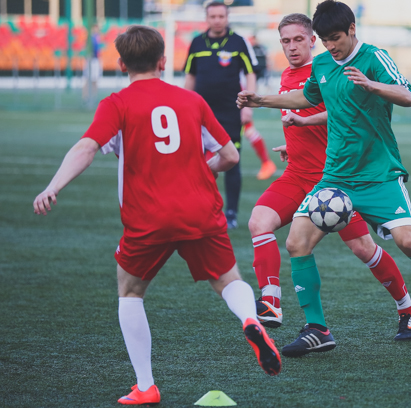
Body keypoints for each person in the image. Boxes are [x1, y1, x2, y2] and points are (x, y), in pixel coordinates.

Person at [33, 25, 281, 405]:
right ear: (163, 62)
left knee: (130, 291)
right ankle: (249, 319)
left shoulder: (116, 103)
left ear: (121, 64)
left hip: (149, 216)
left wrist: (53, 186)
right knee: (228, 280)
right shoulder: (191, 100)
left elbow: (86, 148)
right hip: (200, 209)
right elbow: (230, 156)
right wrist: (203, 169)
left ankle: (146, 386)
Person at [237, 0, 411, 358]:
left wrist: (372, 85)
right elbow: (307, 97)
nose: (330, 46)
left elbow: (406, 95)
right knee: (297, 242)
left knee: (409, 243)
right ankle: (317, 328)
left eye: (335, 38)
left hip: (379, 174)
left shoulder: (375, 58)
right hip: (335, 177)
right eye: (325, 40)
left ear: (352, 30)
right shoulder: (323, 65)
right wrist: (261, 100)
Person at [184, 1, 276, 229]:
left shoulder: (238, 42)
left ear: (227, 18)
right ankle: (200, 210)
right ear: (207, 18)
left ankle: (231, 214)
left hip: (230, 112)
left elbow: (250, 73)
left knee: (232, 161)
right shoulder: (196, 43)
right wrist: (184, 106)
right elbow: (190, 77)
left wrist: (247, 105)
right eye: (213, 16)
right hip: (201, 113)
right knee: (197, 162)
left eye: (221, 16)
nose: (217, 20)